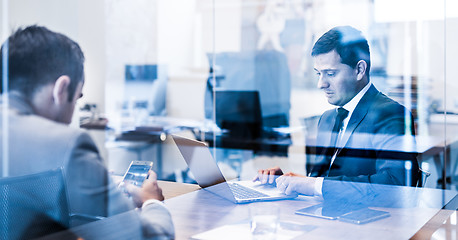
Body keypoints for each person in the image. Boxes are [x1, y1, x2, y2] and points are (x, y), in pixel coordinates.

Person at [0, 25, 174, 239]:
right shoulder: (67, 143)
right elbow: (153, 238)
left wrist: (96, 184)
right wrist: (151, 202)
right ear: (61, 89)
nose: (72, 115)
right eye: (77, 98)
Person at [254, 26, 420, 199]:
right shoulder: (327, 119)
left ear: (359, 70)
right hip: (328, 218)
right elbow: (322, 183)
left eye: (330, 74)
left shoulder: (391, 114)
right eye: (318, 74)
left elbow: (396, 185)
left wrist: (313, 185)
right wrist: (287, 181)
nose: (321, 84)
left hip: (368, 222)